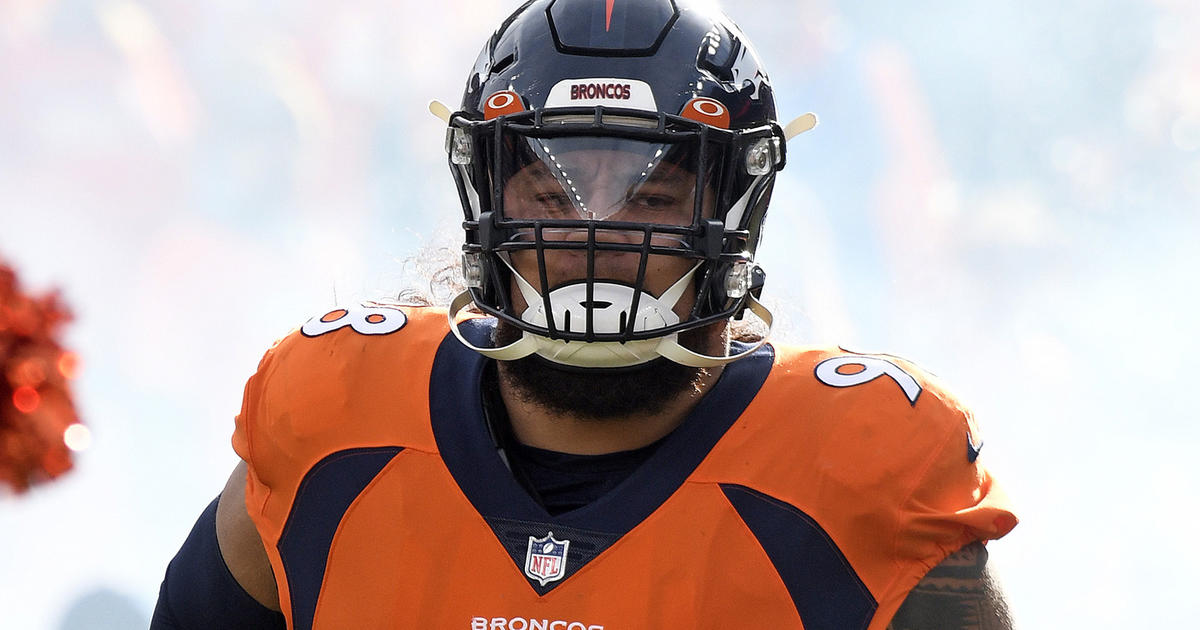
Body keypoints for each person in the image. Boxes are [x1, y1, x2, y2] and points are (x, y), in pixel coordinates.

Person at [152, 1, 1017, 628]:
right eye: (551, 188)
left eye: (654, 192)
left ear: (733, 213)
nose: (597, 234)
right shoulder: (337, 416)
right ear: (486, 194)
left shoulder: (862, 467)